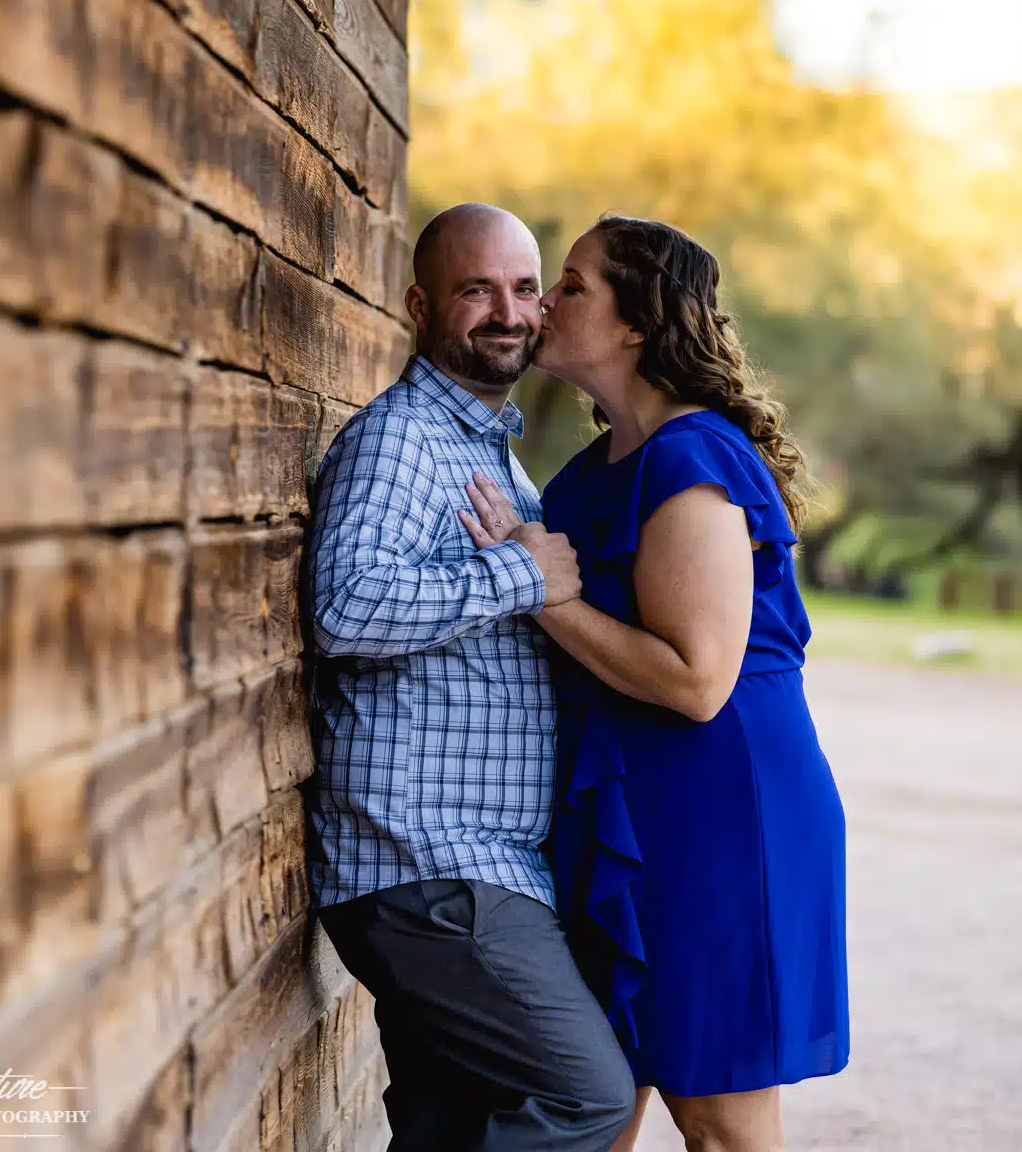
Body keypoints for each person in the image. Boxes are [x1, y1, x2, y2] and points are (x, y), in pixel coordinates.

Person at [458, 214, 850, 1152]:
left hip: (719, 811)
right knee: (595, 1107)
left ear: (636, 323)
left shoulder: (693, 459)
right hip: (620, 804)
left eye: (575, 283)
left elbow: (698, 679)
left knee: (718, 1119)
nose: (546, 300)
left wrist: (541, 593)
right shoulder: (586, 476)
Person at [305, 203, 636, 1152]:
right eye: (476, 288)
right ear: (419, 303)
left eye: (525, 289)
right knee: (587, 1098)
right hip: (426, 866)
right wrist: (523, 574)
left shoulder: (485, 451)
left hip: (467, 865)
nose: (508, 310)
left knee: (450, 1126)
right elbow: (343, 607)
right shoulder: (402, 439)